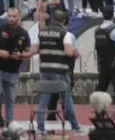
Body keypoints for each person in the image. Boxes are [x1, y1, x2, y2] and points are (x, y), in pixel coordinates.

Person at [33, 7, 83, 135]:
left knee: (43, 100)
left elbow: (35, 49)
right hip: (60, 72)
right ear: (64, 20)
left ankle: (40, 127)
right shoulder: (64, 33)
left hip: (44, 70)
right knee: (67, 100)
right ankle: (75, 126)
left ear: (53, 19)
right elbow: (69, 52)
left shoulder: (42, 32)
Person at [0, 5, 32, 133]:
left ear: (19, 17)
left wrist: (22, 55)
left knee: (11, 98)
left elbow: (29, 52)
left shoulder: (24, 33)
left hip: (12, 70)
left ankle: (10, 121)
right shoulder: (0, 28)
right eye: (9, 16)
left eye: (14, 16)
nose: (11, 19)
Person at [94, 5, 115, 115]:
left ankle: (99, 113)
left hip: (103, 65)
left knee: (100, 90)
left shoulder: (97, 30)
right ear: (113, 15)